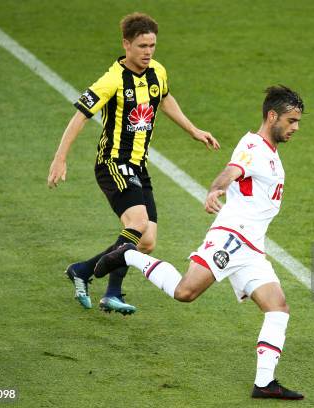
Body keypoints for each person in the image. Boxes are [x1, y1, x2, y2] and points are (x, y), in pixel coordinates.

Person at [95, 85, 304, 399]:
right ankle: (128, 255)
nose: (295, 128)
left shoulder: (271, 154)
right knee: (185, 292)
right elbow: (231, 171)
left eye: (297, 122)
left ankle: (264, 383)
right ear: (272, 116)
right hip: (232, 238)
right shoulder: (253, 147)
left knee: (278, 308)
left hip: (252, 249)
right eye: (290, 121)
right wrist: (215, 189)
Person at [47, 12, 219, 314]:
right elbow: (79, 117)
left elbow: (164, 97)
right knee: (138, 225)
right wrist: (60, 158)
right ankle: (99, 281)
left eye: (152, 45)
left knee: (147, 241)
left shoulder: (157, 71)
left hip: (139, 166)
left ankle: (91, 276)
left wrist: (192, 130)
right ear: (126, 44)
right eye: (142, 46)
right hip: (113, 163)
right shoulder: (112, 79)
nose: (148, 52)